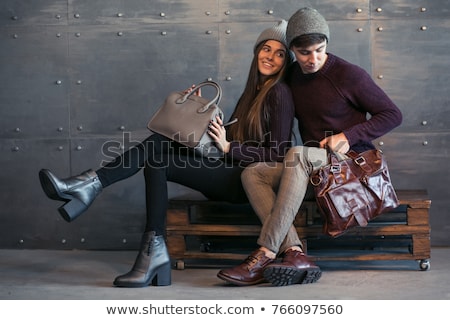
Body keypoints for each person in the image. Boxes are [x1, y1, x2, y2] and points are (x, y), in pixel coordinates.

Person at [38, 20, 295, 287]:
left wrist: (230, 147)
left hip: (244, 182)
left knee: (157, 156)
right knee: (159, 150)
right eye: (266, 49)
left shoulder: (280, 92)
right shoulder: (253, 92)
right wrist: (192, 114)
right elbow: (224, 141)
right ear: (257, 52)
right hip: (228, 169)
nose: (271, 57)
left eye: (279, 53)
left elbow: (277, 152)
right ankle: (101, 195)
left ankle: (89, 186)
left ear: (286, 62)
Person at [217, 7, 403, 287]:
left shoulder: (348, 74)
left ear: (326, 44)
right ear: (293, 49)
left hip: (352, 165)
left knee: (297, 154)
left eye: (319, 49)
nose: (313, 59)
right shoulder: (291, 76)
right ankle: (295, 253)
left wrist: (350, 135)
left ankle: (266, 252)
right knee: (254, 173)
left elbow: (392, 114)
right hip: (313, 166)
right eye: (304, 53)